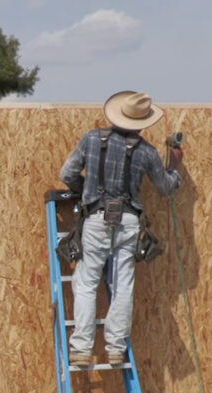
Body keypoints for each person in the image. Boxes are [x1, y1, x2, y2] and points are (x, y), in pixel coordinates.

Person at [59, 90, 183, 367]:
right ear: (142, 123)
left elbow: (66, 174)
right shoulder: (147, 152)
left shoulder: (92, 139)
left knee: (87, 283)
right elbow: (165, 188)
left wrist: (87, 193)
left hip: (96, 217)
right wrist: (175, 166)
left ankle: (81, 349)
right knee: (124, 284)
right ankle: (115, 349)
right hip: (129, 222)